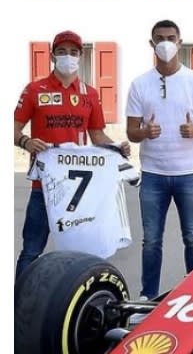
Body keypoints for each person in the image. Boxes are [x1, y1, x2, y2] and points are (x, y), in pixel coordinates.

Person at [14, 30, 129, 277]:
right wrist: (25, 141)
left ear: (81, 56)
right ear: (53, 56)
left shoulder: (90, 94)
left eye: (74, 52)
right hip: (44, 185)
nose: (68, 57)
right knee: (32, 251)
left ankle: (72, 300)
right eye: (62, 52)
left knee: (79, 253)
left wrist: (117, 149)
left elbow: (97, 136)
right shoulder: (35, 89)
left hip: (80, 190)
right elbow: (12, 129)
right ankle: (17, 307)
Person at [125, 20, 193, 301]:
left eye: (170, 37)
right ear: (152, 44)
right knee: (151, 240)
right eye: (159, 38)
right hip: (153, 174)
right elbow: (131, 132)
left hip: (189, 173)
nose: (165, 43)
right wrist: (144, 132)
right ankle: (147, 296)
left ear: (179, 42)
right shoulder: (140, 84)